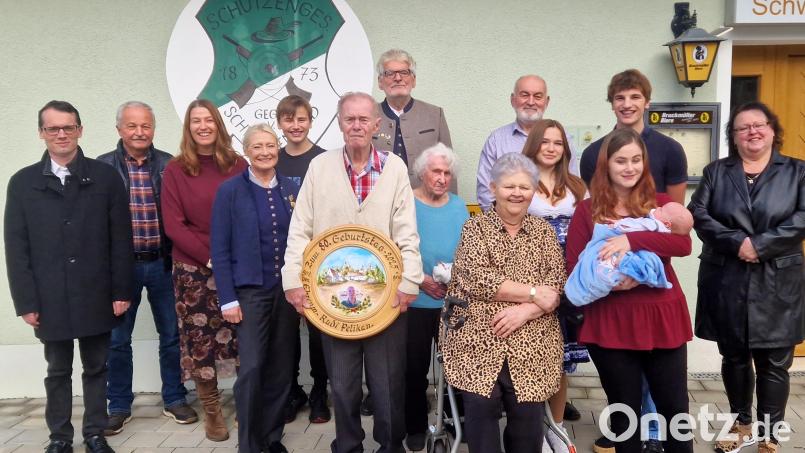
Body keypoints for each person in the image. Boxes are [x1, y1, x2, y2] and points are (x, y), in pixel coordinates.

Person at [282, 92, 423, 453]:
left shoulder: (394, 169)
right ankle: (347, 446)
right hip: (333, 303)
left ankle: (390, 447)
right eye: (350, 119)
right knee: (342, 386)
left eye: (364, 119)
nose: (357, 125)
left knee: (387, 385)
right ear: (340, 123)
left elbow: (407, 231)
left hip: (386, 298)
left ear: (377, 125)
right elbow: (300, 228)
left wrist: (409, 282)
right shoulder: (320, 167)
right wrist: (293, 280)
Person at [5, 100, 134, 453]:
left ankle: (94, 433)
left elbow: (121, 240)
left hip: (97, 291)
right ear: (41, 133)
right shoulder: (22, 183)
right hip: (49, 297)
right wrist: (26, 302)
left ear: (80, 130)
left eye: (68, 127)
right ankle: (60, 437)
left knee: (97, 367)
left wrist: (122, 290)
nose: (61, 134)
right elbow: (17, 250)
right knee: (57, 371)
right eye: (53, 128)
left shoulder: (106, 178)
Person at [579, 69, 688, 453]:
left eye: (636, 160)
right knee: (624, 417)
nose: (628, 167)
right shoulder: (588, 210)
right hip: (612, 318)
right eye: (620, 160)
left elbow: (682, 244)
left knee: (676, 413)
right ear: (604, 165)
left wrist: (632, 240)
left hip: (661, 316)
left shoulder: (657, 204)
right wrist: (611, 278)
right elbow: (575, 263)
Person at [689, 102, 805, 453]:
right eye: (743, 127)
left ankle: (769, 433)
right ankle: (741, 423)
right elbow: (699, 213)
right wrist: (739, 242)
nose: (752, 132)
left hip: (777, 281)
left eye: (759, 125)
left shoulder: (798, 171)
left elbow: (803, 216)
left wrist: (761, 245)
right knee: (735, 356)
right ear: (734, 136)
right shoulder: (715, 172)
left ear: (772, 130)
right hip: (728, 278)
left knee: (774, 360)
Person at [441, 152, 565, 453]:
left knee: (527, 415)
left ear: (533, 191)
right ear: (493, 188)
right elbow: (476, 279)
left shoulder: (543, 232)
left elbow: (556, 282)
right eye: (509, 186)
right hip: (478, 338)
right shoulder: (475, 229)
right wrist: (535, 294)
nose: (517, 193)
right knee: (481, 407)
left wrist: (526, 311)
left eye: (524, 187)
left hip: (533, 338)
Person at [98, 101, 198, 436]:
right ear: (119, 129)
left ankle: (174, 398)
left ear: (153, 128)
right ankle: (118, 405)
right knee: (117, 339)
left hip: (163, 264)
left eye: (146, 126)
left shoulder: (170, 165)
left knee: (172, 335)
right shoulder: (103, 168)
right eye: (132, 126)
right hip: (121, 268)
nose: (139, 132)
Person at [162, 99, 248, 441]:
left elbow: (248, 214)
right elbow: (173, 224)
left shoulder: (239, 164)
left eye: (208, 120)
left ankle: (245, 405)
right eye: (196, 121)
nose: (203, 126)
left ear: (218, 125)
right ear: (189, 127)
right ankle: (212, 409)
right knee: (201, 342)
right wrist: (211, 257)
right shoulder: (176, 169)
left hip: (238, 265)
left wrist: (231, 257)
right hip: (194, 270)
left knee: (243, 338)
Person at [211, 124, 300, 453]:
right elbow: (219, 249)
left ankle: (272, 437)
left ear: (277, 148)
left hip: (286, 293)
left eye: (270, 145)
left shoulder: (291, 188)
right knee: (251, 369)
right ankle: (249, 443)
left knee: (281, 368)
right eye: (257, 146)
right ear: (245, 151)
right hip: (249, 293)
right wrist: (227, 298)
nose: (265, 151)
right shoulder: (230, 191)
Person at [521, 119, 588, 452]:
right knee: (533, 358)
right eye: (545, 141)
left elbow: (589, 230)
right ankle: (535, 429)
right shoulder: (519, 181)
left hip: (568, 279)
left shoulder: (577, 186)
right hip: (530, 278)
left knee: (560, 362)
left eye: (558, 143)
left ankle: (557, 430)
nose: (551, 147)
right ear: (534, 144)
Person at [404, 144, 469, 451]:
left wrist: (455, 278)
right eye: (436, 171)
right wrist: (422, 280)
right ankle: (414, 426)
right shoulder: (405, 202)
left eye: (447, 172)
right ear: (422, 173)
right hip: (415, 300)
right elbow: (394, 248)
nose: (442, 178)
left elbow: (469, 250)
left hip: (451, 300)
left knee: (456, 366)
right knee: (413, 368)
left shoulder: (458, 206)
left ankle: (454, 422)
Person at [274, 95, 330, 424]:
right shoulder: (272, 159)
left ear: (311, 121)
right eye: (288, 119)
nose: (295, 126)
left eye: (301, 119)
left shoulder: (323, 160)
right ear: (280, 123)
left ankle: (320, 392)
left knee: (320, 333)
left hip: (319, 259)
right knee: (286, 333)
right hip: (283, 258)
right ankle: (292, 391)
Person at [565, 202, 693, 307]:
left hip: (654, 304)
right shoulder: (587, 207)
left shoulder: (657, 214)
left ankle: (597, 283)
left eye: (661, 209)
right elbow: (572, 263)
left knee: (619, 261)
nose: (657, 208)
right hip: (610, 307)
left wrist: (630, 239)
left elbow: (684, 246)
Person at [372, 48, 453, 191]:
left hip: (426, 202)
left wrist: (449, 206)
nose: (398, 78)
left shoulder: (434, 115)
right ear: (380, 82)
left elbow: (448, 165)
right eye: (389, 73)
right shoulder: (368, 117)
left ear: (413, 80)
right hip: (380, 202)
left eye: (404, 72)